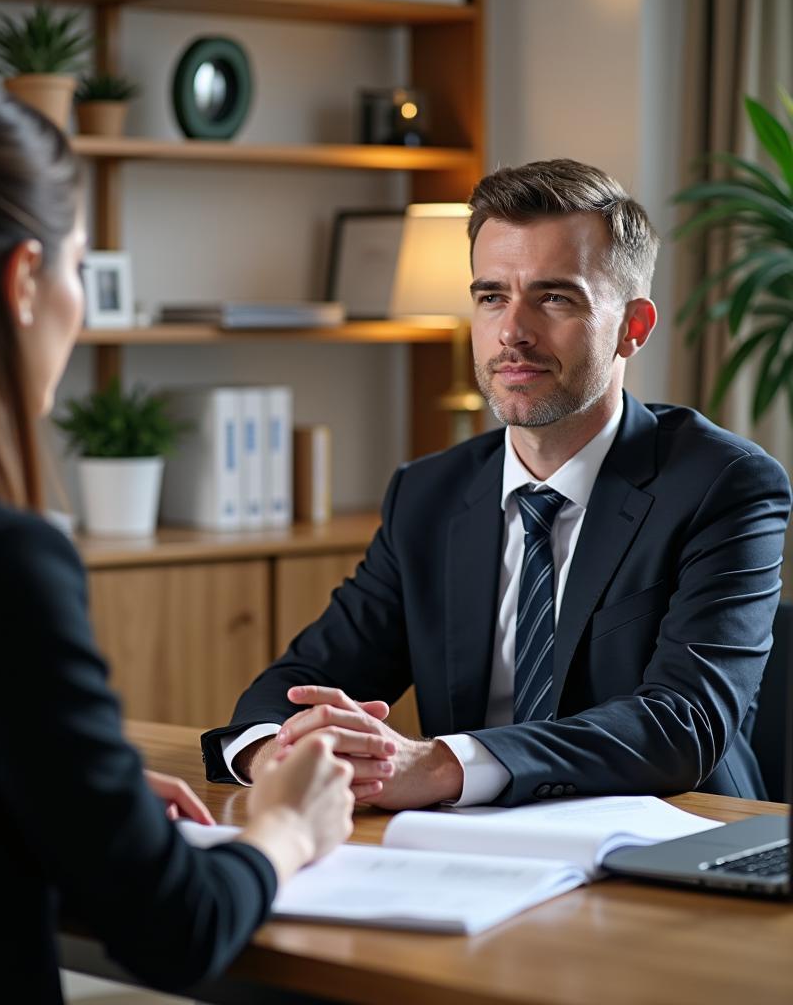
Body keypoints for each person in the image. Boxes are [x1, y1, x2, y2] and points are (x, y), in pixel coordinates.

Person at [0, 75, 357, 1004]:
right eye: (80, 269)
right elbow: (177, 933)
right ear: (22, 283)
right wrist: (285, 829)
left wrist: (90, 800)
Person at [203, 158, 792, 810]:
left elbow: (684, 724)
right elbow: (299, 683)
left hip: (674, 844)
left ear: (634, 327)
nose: (512, 331)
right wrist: (275, 751)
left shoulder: (723, 485)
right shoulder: (428, 494)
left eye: (554, 297)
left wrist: (443, 764)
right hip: (468, 854)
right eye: (491, 296)